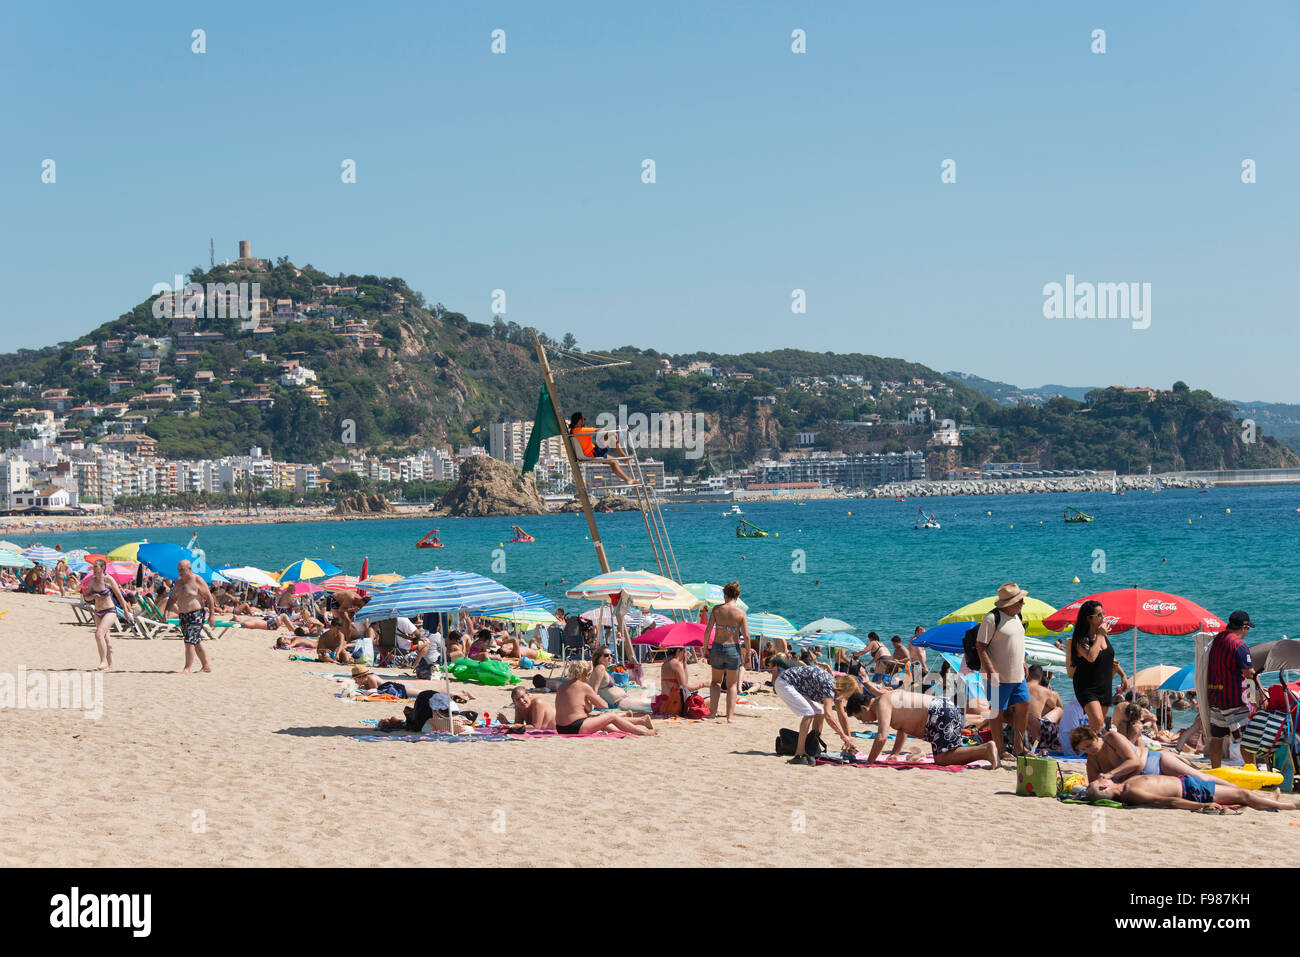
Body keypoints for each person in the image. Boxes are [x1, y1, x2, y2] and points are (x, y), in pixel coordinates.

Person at [845, 687, 999, 768]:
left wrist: (869, 762)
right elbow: (902, 728)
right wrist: (895, 753)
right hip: (944, 707)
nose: (862, 722)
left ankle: (985, 750)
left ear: (864, 708)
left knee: (942, 759)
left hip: (937, 713)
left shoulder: (881, 703)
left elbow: (881, 737)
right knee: (950, 753)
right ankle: (985, 751)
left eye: (859, 717)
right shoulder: (888, 697)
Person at [976, 582, 1031, 760]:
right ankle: (1001, 750)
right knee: (996, 712)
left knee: (1024, 705)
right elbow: (981, 646)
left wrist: (1022, 661)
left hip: (1017, 674)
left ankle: (1019, 747)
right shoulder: (992, 619)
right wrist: (991, 671)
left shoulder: (1017, 616)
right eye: (1020, 600)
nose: (1023, 603)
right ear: (1010, 602)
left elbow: (1016, 643)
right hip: (997, 675)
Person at [1206, 611, 1266, 768]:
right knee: (1246, 740)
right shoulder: (1239, 645)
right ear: (1244, 627)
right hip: (1232, 700)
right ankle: (1252, 773)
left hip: (1214, 696)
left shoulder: (1218, 639)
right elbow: (1249, 674)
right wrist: (1260, 694)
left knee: (1217, 738)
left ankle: (1216, 771)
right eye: (1248, 628)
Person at [771, 657, 856, 765]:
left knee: (819, 711)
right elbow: (829, 716)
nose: (849, 697)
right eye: (850, 693)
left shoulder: (836, 689)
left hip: (794, 685)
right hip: (784, 682)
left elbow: (841, 715)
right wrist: (842, 735)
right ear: (846, 688)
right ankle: (799, 752)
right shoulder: (830, 686)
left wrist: (848, 741)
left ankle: (813, 744)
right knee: (809, 713)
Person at [1066, 600, 1128, 731]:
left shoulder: (1102, 636)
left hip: (1104, 685)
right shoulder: (1081, 640)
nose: (1103, 617)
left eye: (1103, 613)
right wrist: (1100, 635)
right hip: (1086, 686)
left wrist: (1122, 675)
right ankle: (1083, 745)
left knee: (1097, 726)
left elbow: (1109, 657)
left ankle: (1084, 746)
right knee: (1098, 721)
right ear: (1089, 618)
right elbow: (1091, 657)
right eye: (1099, 615)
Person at [1086, 774, 1300, 812]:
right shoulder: (1131, 792)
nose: (1102, 778)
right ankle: (1286, 806)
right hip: (1193, 792)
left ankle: (1268, 800)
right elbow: (1168, 801)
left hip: (1188, 784)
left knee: (1239, 794)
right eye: (1099, 781)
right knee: (1242, 794)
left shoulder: (1125, 786)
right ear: (1104, 787)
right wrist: (1202, 806)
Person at [554, 661, 656, 736]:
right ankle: (644, 732)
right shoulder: (583, 686)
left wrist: (586, 703)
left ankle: (641, 721)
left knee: (602, 720)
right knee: (611, 716)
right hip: (575, 727)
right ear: (586, 674)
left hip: (561, 728)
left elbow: (575, 707)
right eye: (589, 675)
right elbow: (603, 705)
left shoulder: (562, 686)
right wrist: (592, 699)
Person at [702, 581, 750, 724]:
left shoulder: (717, 610)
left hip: (717, 647)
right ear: (738, 595)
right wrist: (747, 653)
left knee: (716, 682)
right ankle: (730, 717)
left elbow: (708, 630)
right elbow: (746, 636)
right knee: (732, 685)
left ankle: (712, 714)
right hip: (732, 649)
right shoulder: (741, 613)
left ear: (724, 594)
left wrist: (705, 649)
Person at [161, 559, 216, 674]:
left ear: (190, 569)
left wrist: (212, 615)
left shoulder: (197, 580)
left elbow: (209, 597)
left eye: (182, 570)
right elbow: (172, 598)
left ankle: (187, 668)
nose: (180, 572)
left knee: (189, 641)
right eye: (179, 570)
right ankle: (206, 666)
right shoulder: (179, 582)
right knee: (195, 641)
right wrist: (166, 611)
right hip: (183, 615)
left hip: (196, 614)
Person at [81, 559, 134, 671]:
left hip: (110, 611)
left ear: (102, 568)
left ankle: (103, 661)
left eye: (96, 566)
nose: (94, 569)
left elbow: (119, 596)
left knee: (98, 634)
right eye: (93, 566)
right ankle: (110, 664)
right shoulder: (92, 581)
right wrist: (93, 596)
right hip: (98, 612)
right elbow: (86, 597)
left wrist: (125, 611)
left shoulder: (109, 579)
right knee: (106, 638)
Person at [568, 412, 632, 484]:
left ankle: (628, 479)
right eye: (584, 419)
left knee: (614, 462)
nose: (585, 421)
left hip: (592, 451)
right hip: (592, 453)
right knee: (612, 438)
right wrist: (613, 433)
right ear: (580, 421)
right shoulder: (580, 430)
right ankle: (624, 458)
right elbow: (600, 430)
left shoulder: (573, 431)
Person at [656, 646, 703, 716]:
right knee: (708, 700)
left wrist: (684, 663)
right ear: (678, 651)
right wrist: (702, 685)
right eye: (684, 651)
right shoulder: (676, 664)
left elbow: (684, 684)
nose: (686, 653)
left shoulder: (664, 664)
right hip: (674, 705)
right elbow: (686, 688)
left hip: (663, 705)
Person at [1026, 665, 1064, 750]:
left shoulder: (1019, 688)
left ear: (1026, 675)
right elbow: (1057, 707)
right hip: (1037, 734)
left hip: (1019, 731)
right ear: (1040, 678)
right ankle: (1060, 740)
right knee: (1059, 710)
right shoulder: (1045, 691)